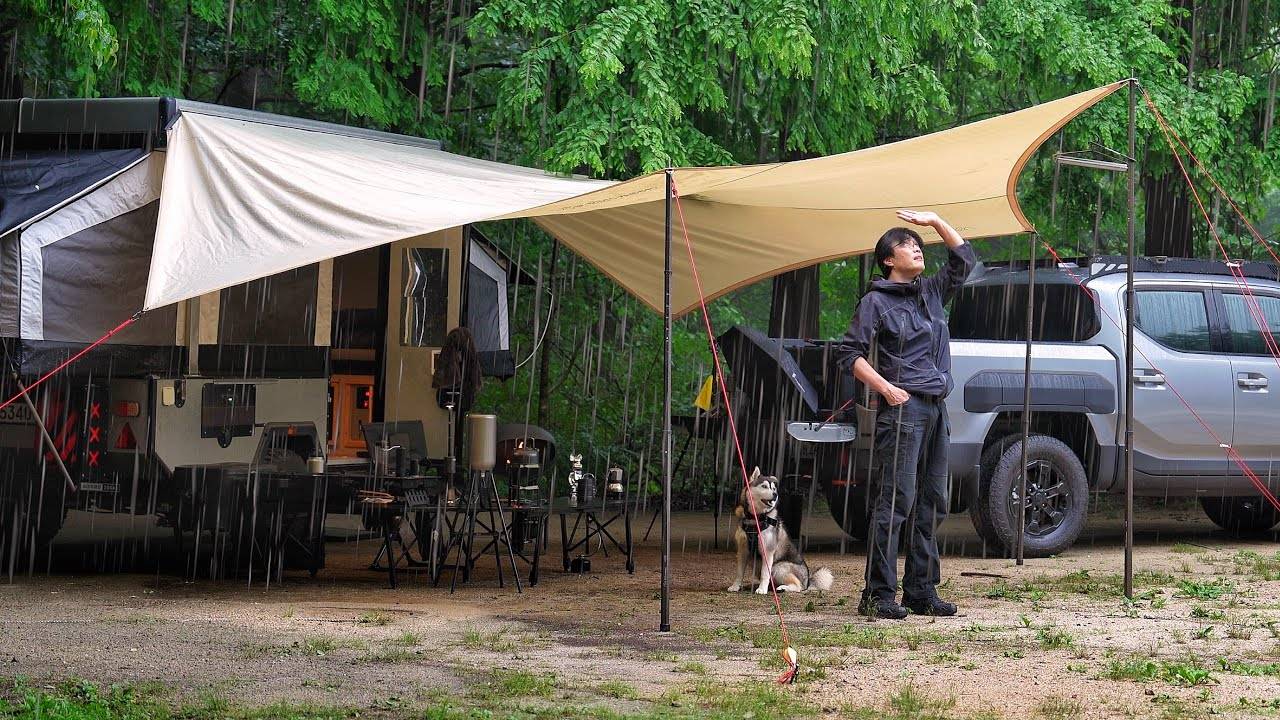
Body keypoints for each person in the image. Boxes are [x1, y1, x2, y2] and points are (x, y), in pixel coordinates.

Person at [838, 210, 977, 619]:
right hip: (902, 410)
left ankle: (921, 591)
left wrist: (935, 221)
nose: (916, 248)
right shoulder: (875, 302)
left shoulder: (931, 292)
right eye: (906, 244)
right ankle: (878, 595)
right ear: (887, 260)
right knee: (895, 500)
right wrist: (886, 388)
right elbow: (850, 354)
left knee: (933, 500)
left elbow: (964, 259)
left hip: (936, 409)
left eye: (918, 244)